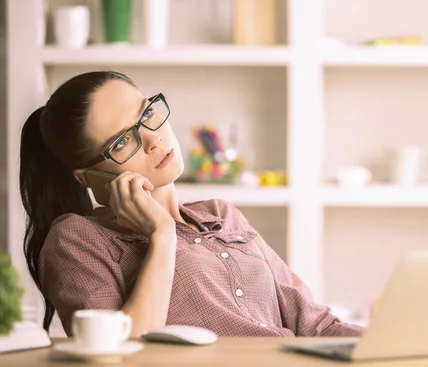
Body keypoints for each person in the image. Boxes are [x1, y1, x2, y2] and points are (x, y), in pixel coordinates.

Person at [19, 70, 363, 338]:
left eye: (147, 114)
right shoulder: (76, 239)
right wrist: (162, 236)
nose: (153, 139)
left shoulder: (221, 215)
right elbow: (119, 356)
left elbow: (316, 326)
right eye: (123, 141)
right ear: (88, 178)